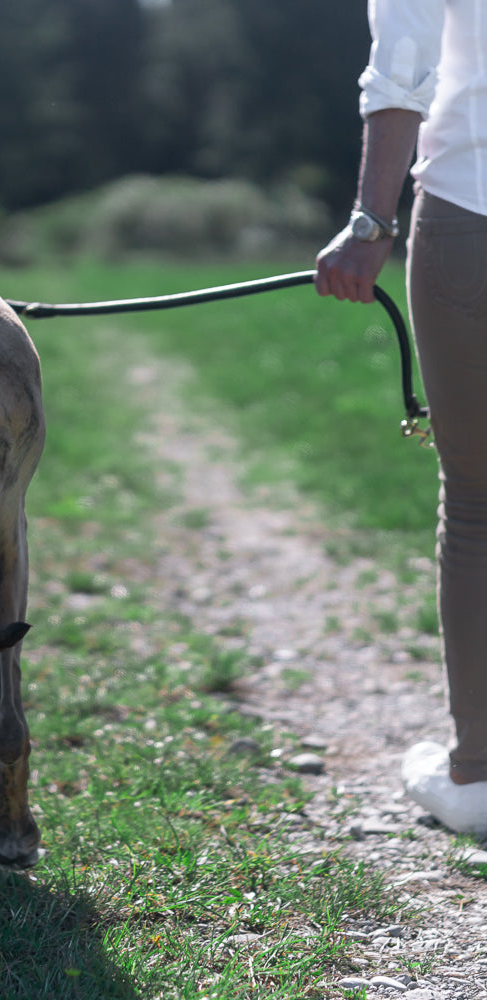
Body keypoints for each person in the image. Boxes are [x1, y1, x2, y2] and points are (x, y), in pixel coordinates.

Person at [316, 0, 487, 835]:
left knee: (481, 503)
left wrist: (370, 222)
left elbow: (403, 70)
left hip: (472, 215)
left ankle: (480, 774)